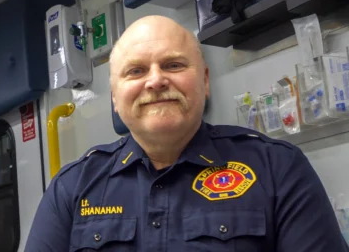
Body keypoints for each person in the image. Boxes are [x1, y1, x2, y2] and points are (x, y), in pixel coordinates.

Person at [24, 15, 349, 251]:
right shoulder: (70, 189)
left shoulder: (278, 169)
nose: (155, 81)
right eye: (136, 71)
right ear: (114, 96)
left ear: (205, 82)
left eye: (174, 65)